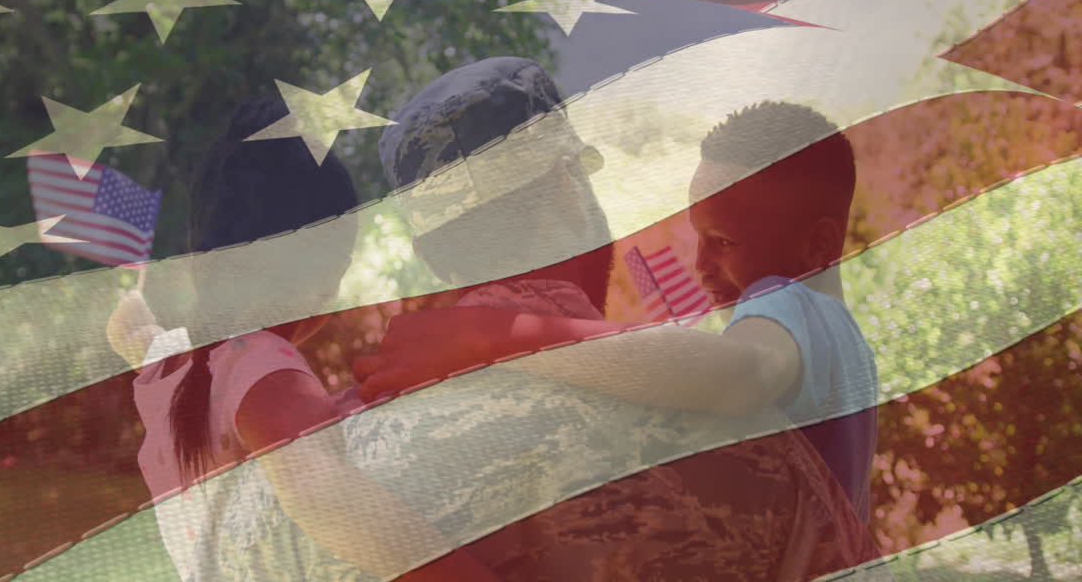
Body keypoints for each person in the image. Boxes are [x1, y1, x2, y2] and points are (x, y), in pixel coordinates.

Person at [350, 57, 879, 580]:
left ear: (427, 251)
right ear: (568, 186)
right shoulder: (770, 330)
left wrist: (488, 337)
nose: (698, 265)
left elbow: (740, 371)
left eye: (722, 242)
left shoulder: (358, 449)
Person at [106, 94, 499, 581]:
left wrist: (134, 323)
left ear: (196, 260)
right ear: (324, 278)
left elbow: (136, 338)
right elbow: (331, 502)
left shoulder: (172, 367)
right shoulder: (261, 368)